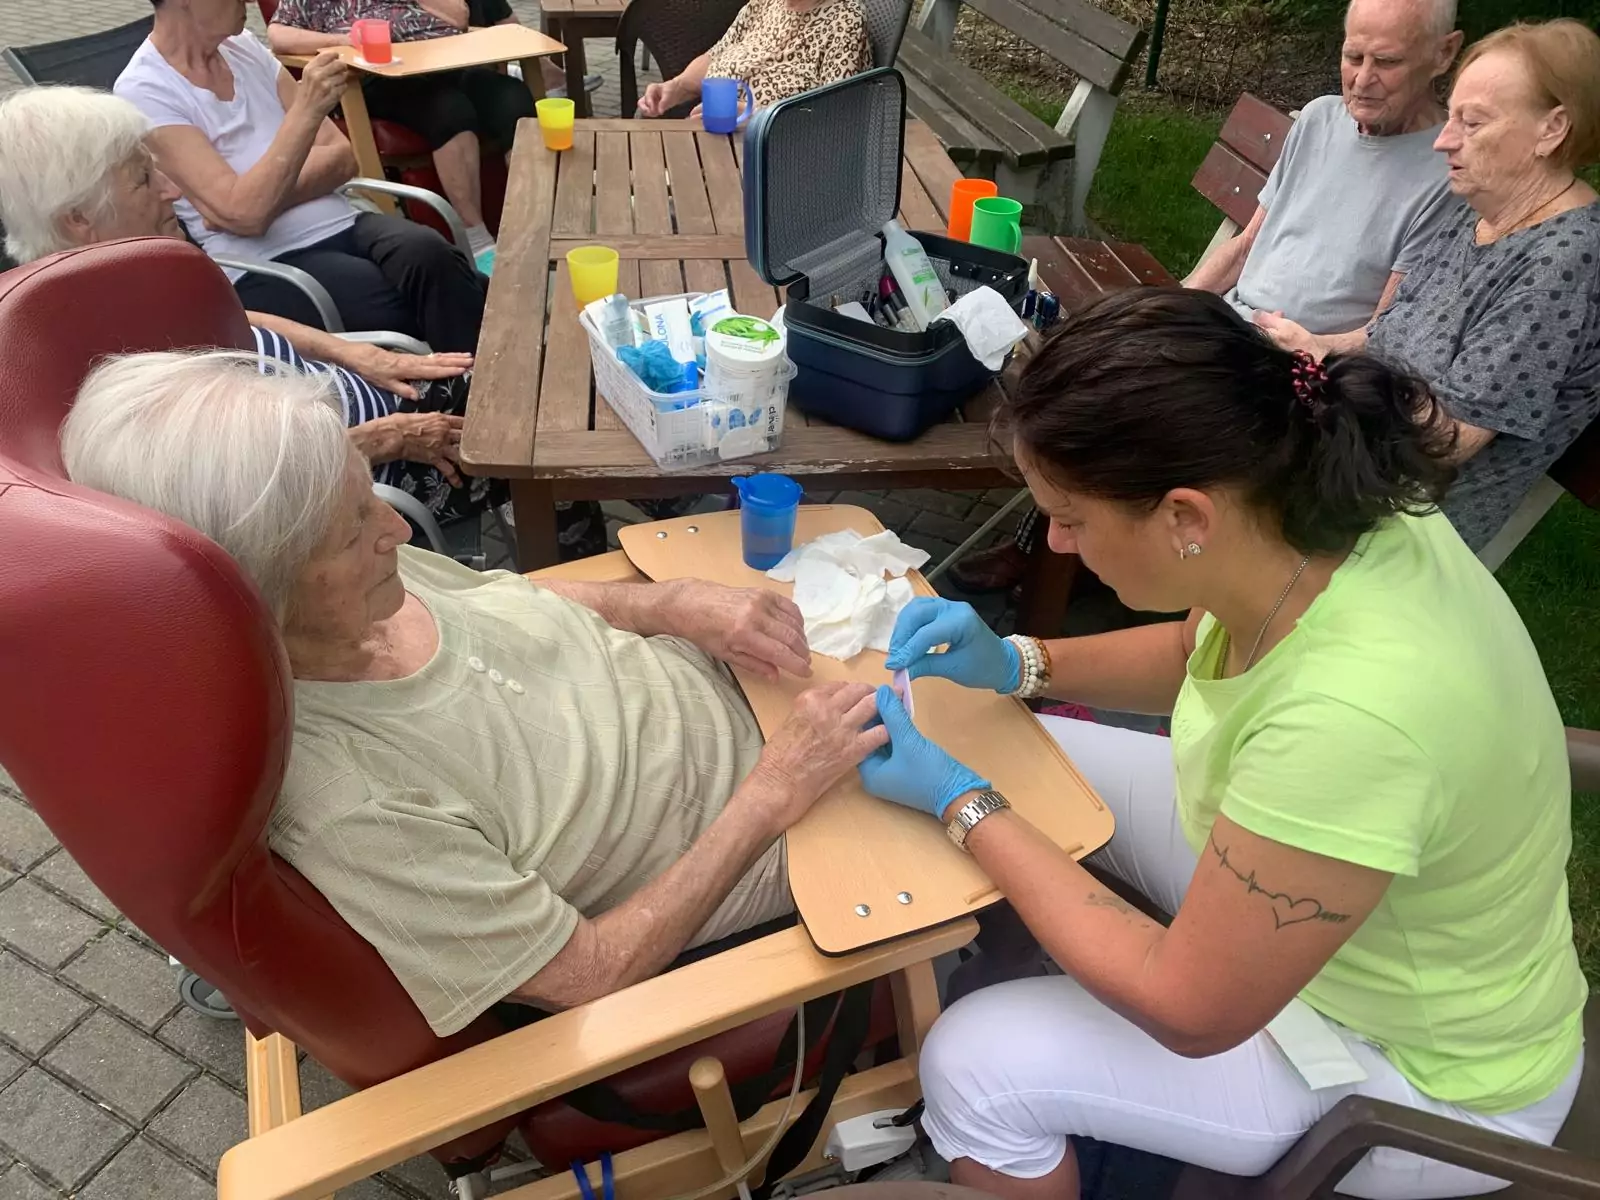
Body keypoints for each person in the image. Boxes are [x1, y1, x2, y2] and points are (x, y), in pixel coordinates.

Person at [859, 289, 1586, 1198]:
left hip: (1417, 1075)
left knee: (973, 1066)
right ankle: (1019, 964)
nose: (1058, 542)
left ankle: (1013, 1070)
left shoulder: (1355, 717)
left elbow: (1188, 1009)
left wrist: (965, 806)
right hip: (1335, 901)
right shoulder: (1311, 510)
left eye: (1071, 517)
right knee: (1008, 752)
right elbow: (1192, 650)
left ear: (1185, 518)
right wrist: (1016, 662)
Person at [60, 350, 887, 1033]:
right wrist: (775, 789)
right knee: (961, 780)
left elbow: (503, 601)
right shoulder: (348, 802)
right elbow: (587, 976)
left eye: (367, 498)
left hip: (758, 706)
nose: (396, 528)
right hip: (768, 830)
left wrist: (665, 604)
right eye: (355, 529)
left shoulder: (352, 595)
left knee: (899, 624)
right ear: (260, 593)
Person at [951, 0, 1465, 594]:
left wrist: (1313, 345)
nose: (1363, 79)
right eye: (1353, 56)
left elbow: (1385, 329)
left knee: (1116, 402)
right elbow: (1246, 244)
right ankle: (1059, 543)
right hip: (1230, 327)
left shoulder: (1444, 174)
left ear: (1443, 54)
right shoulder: (1320, 119)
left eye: (1387, 62)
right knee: (1086, 362)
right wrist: (1164, 308)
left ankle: (1062, 560)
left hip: (1293, 371)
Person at [0, 84, 504, 525]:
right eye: (143, 178)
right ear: (78, 219)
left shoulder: (125, 275)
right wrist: (386, 438)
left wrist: (354, 354)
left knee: (515, 379)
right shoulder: (101, 351)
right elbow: (232, 493)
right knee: (522, 416)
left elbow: (235, 316)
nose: (172, 190)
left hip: (380, 405)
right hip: (367, 480)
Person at [1258, 19, 1600, 552]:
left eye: (1472, 122)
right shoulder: (1481, 208)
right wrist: (1318, 347)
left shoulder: (1564, 262)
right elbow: (1390, 332)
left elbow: (1450, 439)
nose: (1443, 140)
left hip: (1401, 517)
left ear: (1551, 130)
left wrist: (1331, 390)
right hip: (1349, 449)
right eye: (1452, 117)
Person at [116, 0, 487, 352]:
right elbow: (245, 213)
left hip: (346, 221)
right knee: (416, 300)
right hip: (267, 263)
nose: (251, 2)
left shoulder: (245, 49)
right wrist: (305, 113)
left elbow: (343, 157)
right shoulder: (146, 89)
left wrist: (260, 195)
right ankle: (466, 385)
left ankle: (472, 384)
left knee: (434, 254)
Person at [265, 0, 547, 260]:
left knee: (513, 97)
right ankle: (477, 238)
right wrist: (342, 41)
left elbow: (459, 16)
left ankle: (532, 220)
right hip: (376, 76)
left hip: (445, 61)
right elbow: (278, 35)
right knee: (450, 110)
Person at [636, 0, 870, 118]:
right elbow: (717, 54)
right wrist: (676, 87)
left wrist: (751, 116)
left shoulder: (845, 21)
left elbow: (834, 116)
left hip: (772, 165)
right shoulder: (764, 3)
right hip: (711, 142)